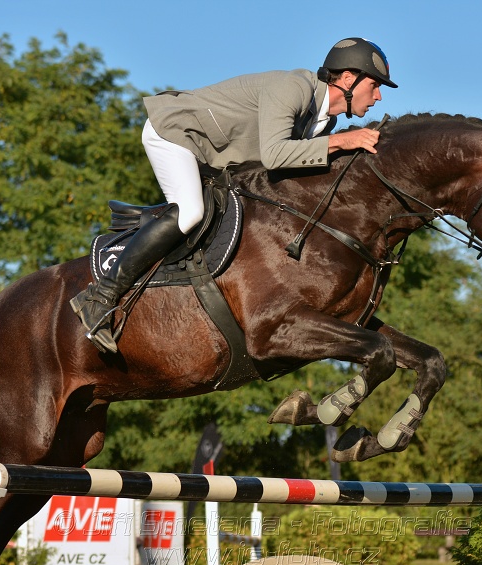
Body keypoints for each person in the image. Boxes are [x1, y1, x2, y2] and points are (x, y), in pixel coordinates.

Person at [71, 37, 398, 353]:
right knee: (190, 212)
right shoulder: (294, 88)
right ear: (347, 78)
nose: (379, 96)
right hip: (175, 134)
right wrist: (343, 142)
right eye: (376, 84)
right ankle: (99, 296)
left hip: (212, 159)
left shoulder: (321, 122)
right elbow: (274, 155)